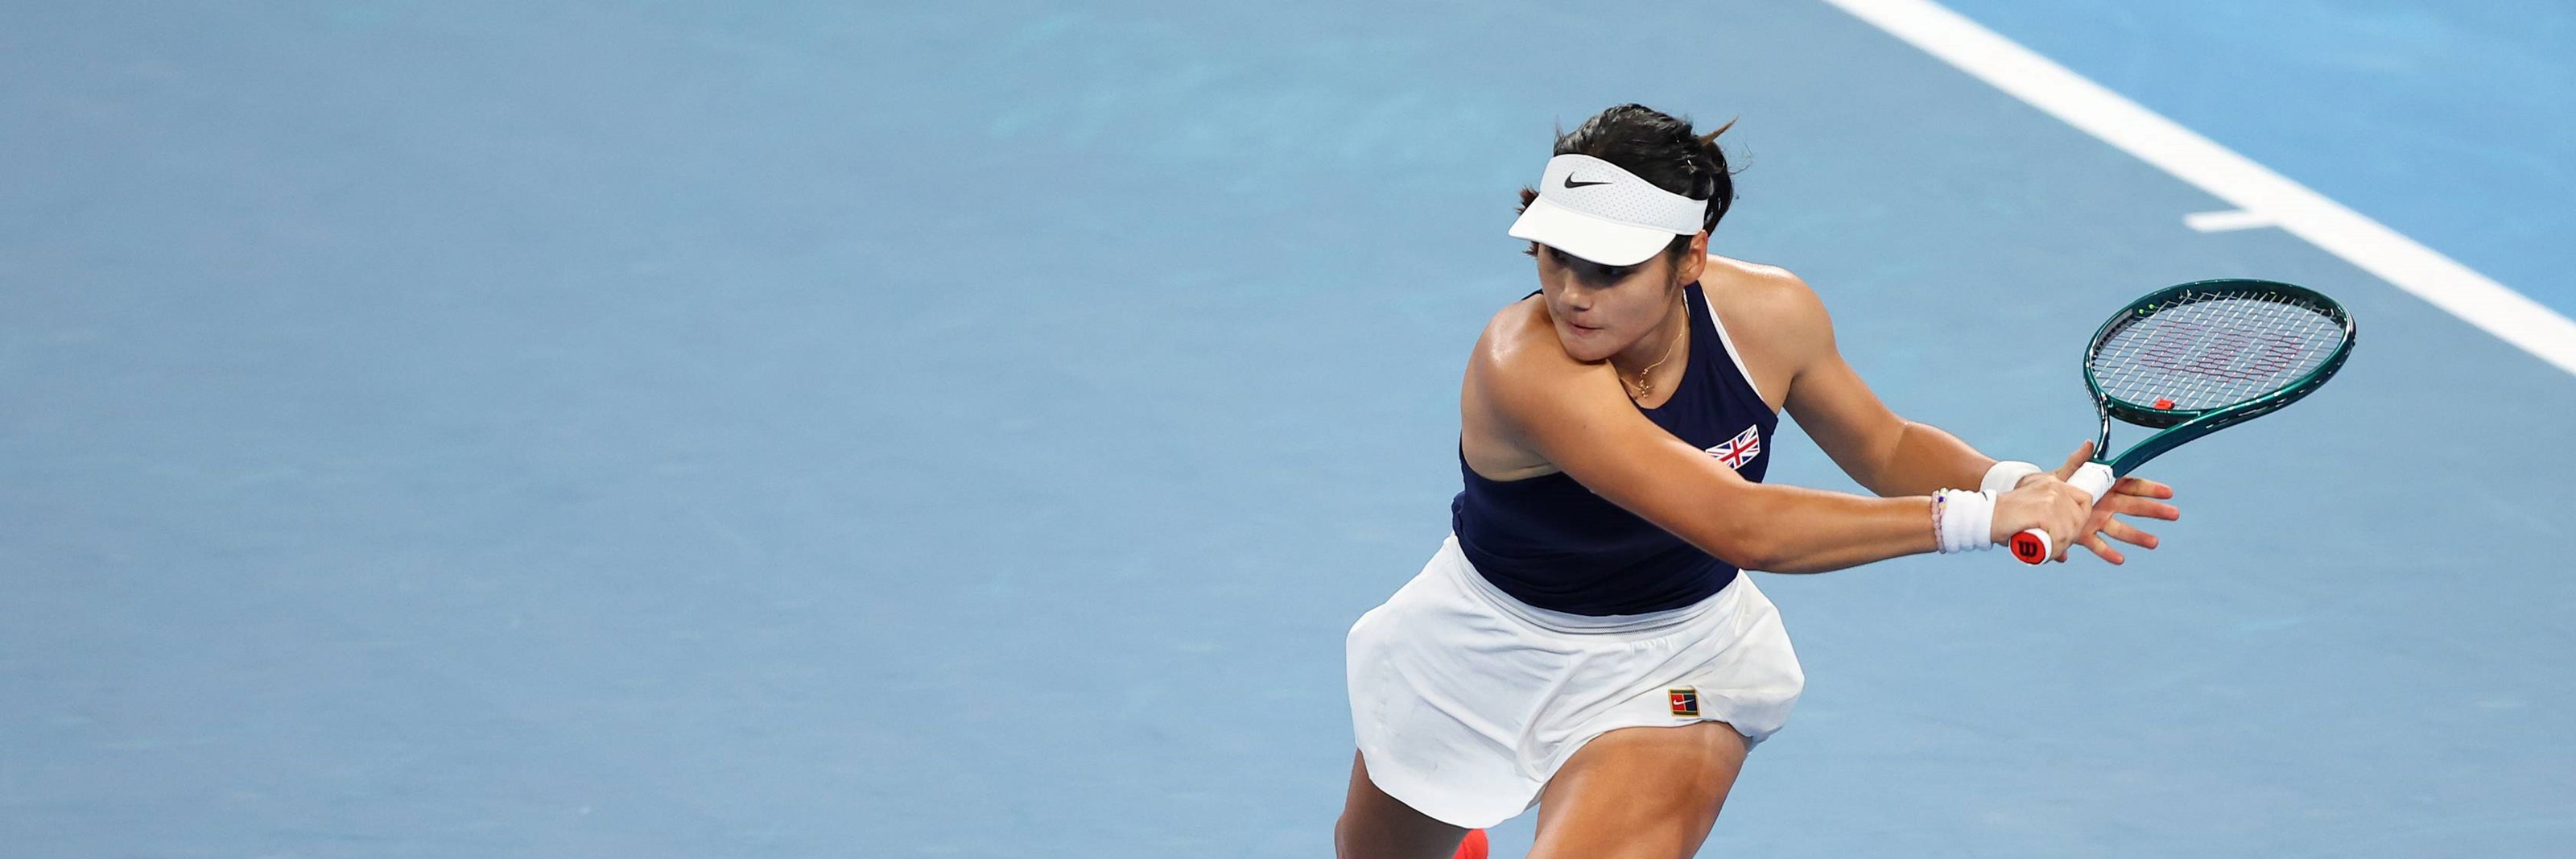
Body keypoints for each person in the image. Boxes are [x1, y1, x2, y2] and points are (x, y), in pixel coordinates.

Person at [1334, 104, 2181, 859]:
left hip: (1673, 657)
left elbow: (1884, 445)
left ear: (1688, 258)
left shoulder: (1771, 315)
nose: (1571, 294)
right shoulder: (1522, 364)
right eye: (1558, 258)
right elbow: (1744, 527)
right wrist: (1983, 516)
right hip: (1485, 639)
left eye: (1610, 270)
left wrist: (2021, 481)